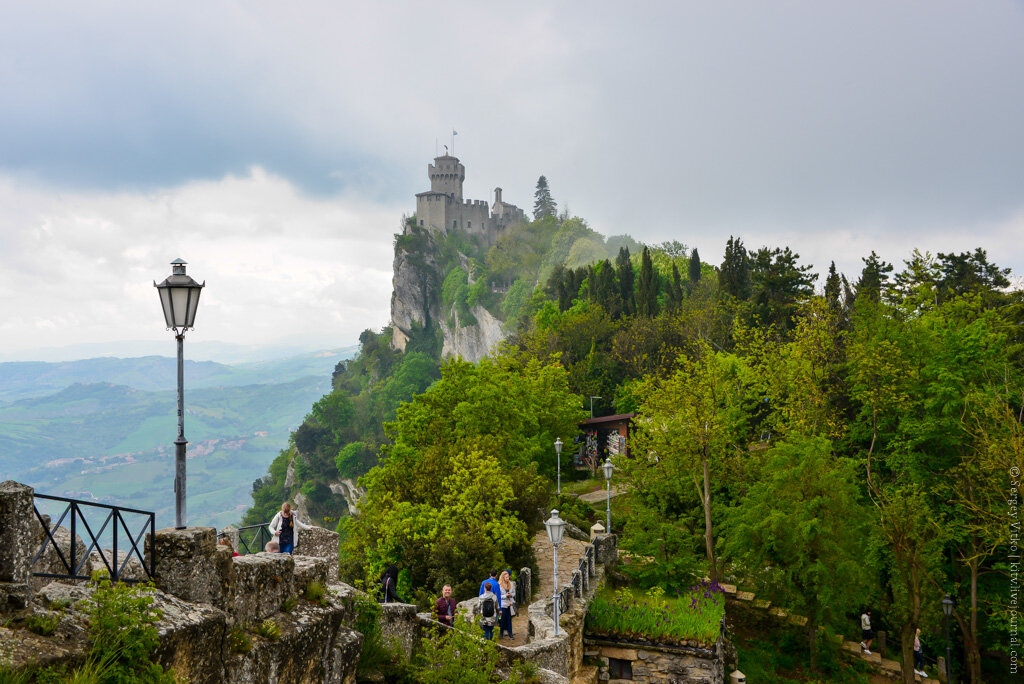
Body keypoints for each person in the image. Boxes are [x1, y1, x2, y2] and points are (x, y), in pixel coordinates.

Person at [498, 570, 516, 639]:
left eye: (508, 577)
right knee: (502, 619)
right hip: (503, 604)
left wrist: (511, 595)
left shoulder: (511, 584)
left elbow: (514, 593)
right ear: (503, 578)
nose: (508, 578)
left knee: (509, 619)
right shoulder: (499, 585)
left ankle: (510, 633)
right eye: (506, 577)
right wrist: (505, 595)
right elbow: (498, 596)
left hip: (510, 604)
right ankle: (501, 633)